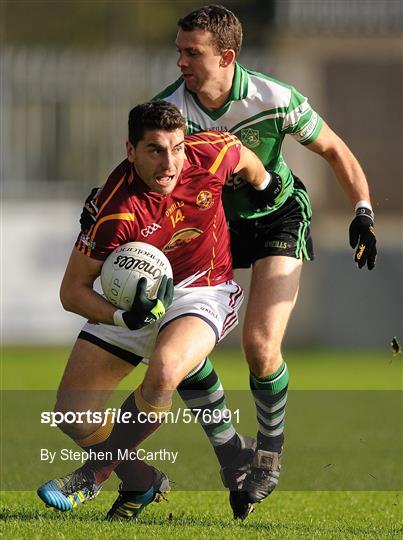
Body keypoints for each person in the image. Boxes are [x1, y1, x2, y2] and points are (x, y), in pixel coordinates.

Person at [80, 4, 377, 520]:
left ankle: (267, 453)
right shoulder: (171, 107)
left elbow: (334, 149)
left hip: (279, 217)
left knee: (261, 346)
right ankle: (229, 449)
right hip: (212, 225)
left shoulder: (273, 97)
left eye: (192, 53)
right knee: (179, 336)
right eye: (178, 51)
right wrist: (98, 198)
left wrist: (363, 211)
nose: (181, 63)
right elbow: (143, 163)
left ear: (227, 56)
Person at [37, 100, 283, 520]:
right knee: (72, 415)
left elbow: (244, 158)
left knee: (168, 368)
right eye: (155, 150)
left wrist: (264, 186)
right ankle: (141, 480)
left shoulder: (210, 153)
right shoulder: (113, 210)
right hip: (133, 301)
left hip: (202, 289)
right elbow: (72, 293)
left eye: (177, 147)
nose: (170, 163)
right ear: (129, 150)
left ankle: (95, 473)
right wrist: (121, 317)